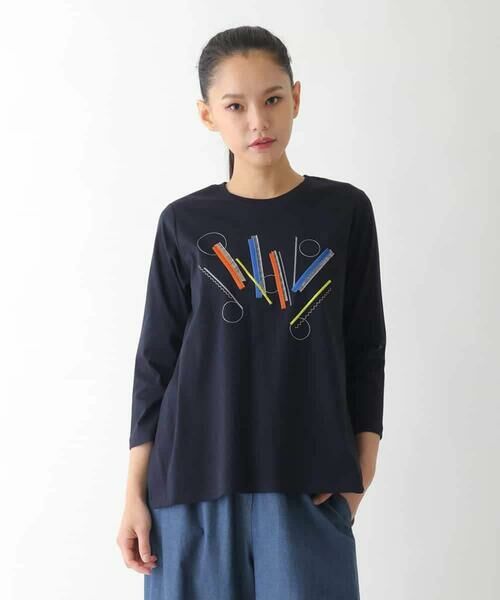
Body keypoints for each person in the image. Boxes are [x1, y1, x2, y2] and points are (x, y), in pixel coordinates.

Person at [116, 25, 386, 600]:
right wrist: (134, 494)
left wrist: (360, 472)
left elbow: (366, 345)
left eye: (273, 99)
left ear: (296, 98)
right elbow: (155, 364)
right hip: (190, 485)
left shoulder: (344, 211)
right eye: (235, 106)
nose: (258, 121)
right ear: (207, 115)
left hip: (306, 480)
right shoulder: (183, 223)